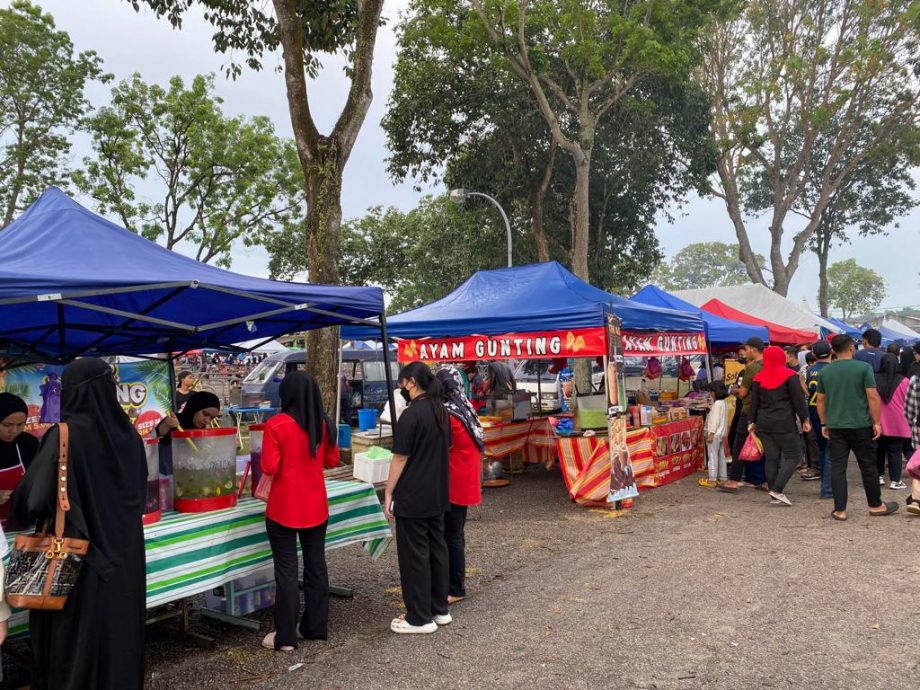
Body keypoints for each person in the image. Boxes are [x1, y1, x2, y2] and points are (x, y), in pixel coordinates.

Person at [10, 358, 147, 689]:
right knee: (119, 635)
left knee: (76, 642)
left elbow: (32, 501)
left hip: (76, 561)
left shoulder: (64, 435)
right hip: (123, 558)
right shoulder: (129, 436)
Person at [260, 372, 339, 651]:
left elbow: (269, 467)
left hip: (283, 508)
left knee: (286, 571)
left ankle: (286, 638)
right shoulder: (323, 425)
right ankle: (315, 628)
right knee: (316, 566)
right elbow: (332, 461)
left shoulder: (276, 425)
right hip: (316, 506)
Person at [384, 361, 451, 634]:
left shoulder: (411, 415)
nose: (401, 387)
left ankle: (419, 617)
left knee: (415, 555)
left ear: (411, 381)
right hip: (437, 490)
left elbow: (400, 457)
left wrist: (388, 491)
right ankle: (438, 608)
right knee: (437, 548)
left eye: (402, 382)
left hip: (413, 493)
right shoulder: (441, 411)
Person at [816, 335, 899, 520]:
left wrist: (824, 422)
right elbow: (872, 397)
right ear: (852, 348)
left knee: (838, 467)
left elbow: (820, 401)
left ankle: (840, 510)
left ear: (833, 351)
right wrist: (877, 422)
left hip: (835, 425)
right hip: (860, 424)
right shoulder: (863, 368)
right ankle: (875, 505)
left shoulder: (826, 372)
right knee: (868, 465)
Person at [436, 366, 483, 604]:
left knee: (450, 536)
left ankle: (455, 588)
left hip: (453, 480)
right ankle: (455, 584)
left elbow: (439, 449)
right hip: (466, 479)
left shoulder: (447, 414)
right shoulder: (464, 407)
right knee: (456, 535)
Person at [748, 346, 812, 506]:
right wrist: (805, 419)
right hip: (784, 423)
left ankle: (774, 494)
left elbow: (753, 403)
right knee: (794, 456)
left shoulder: (758, 378)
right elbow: (798, 401)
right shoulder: (790, 376)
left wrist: (751, 421)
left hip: (763, 423)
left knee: (771, 458)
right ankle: (776, 490)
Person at [719, 337, 767, 493]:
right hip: (766, 410)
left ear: (753, 350)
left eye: (746, 350)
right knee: (765, 446)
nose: (744, 353)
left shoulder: (752, 369)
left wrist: (733, 391)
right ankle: (766, 480)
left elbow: (742, 393)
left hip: (748, 410)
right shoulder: (769, 366)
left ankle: (734, 481)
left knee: (738, 445)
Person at [154, 390, 221, 474]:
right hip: (166, 475)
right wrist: (167, 424)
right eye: (205, 414)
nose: (207, 420)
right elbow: (158, 434)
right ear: (195, 407)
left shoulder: (205, 429)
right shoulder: (175, 420)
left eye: (212, 418)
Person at [0, 393, 38, 521]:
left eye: (20, 424)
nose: (14, 431)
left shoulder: (28, 443)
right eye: (7, 425)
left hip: (24, 523)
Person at [876, 353, 910, 490]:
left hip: (877, 420)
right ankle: (896, 480)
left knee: (878, 450)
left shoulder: (874, 378)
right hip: (898, 422)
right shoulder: (905, 381)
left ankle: (878, 476)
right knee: (895, 451)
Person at [803, 341, 832, 496]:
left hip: (814, 411)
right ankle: (827, 488)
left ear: (813, 354)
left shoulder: (810, 371)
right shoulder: (832, 369)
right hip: (828, 412)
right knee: (830, 450)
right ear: (831, 351)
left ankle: (824, 481)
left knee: (822, 449)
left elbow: (809, 390)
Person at [700, 382, 729, 488]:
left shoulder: (717, 405)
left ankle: (712, 479)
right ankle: (723, 478)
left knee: (712, 456)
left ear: (714, 392)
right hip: (721, 433)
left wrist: (711, 434)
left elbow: (715, 421)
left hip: (715, 434)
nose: (710, 394)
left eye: (711, 392)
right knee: (721, 456)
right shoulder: (723, 402)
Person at [902, 372, 920, 515]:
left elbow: (909, 409)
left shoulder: (916, 379)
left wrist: (912, 423)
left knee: (917, 465)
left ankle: (915, 498)